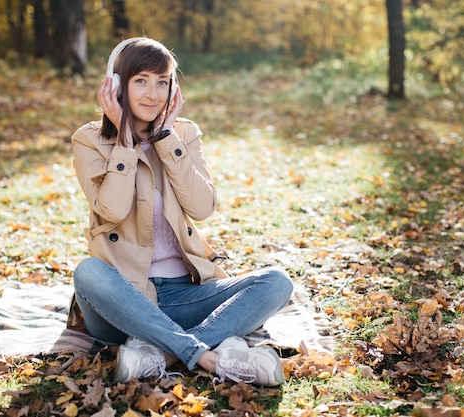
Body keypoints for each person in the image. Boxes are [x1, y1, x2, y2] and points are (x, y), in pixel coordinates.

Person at [67, 37, 294, 387]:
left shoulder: (184, 134)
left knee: (277, 282)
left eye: (162, 82)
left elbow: (203, 208)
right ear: (116, 85)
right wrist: (126, 141)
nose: (152, 93)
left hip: (183, 294)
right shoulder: (89, 140)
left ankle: (165, 353)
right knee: (88, 272)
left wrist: (165, 138)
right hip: (122, 299)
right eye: (140, 80)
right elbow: (111, 209)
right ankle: (208, 356)